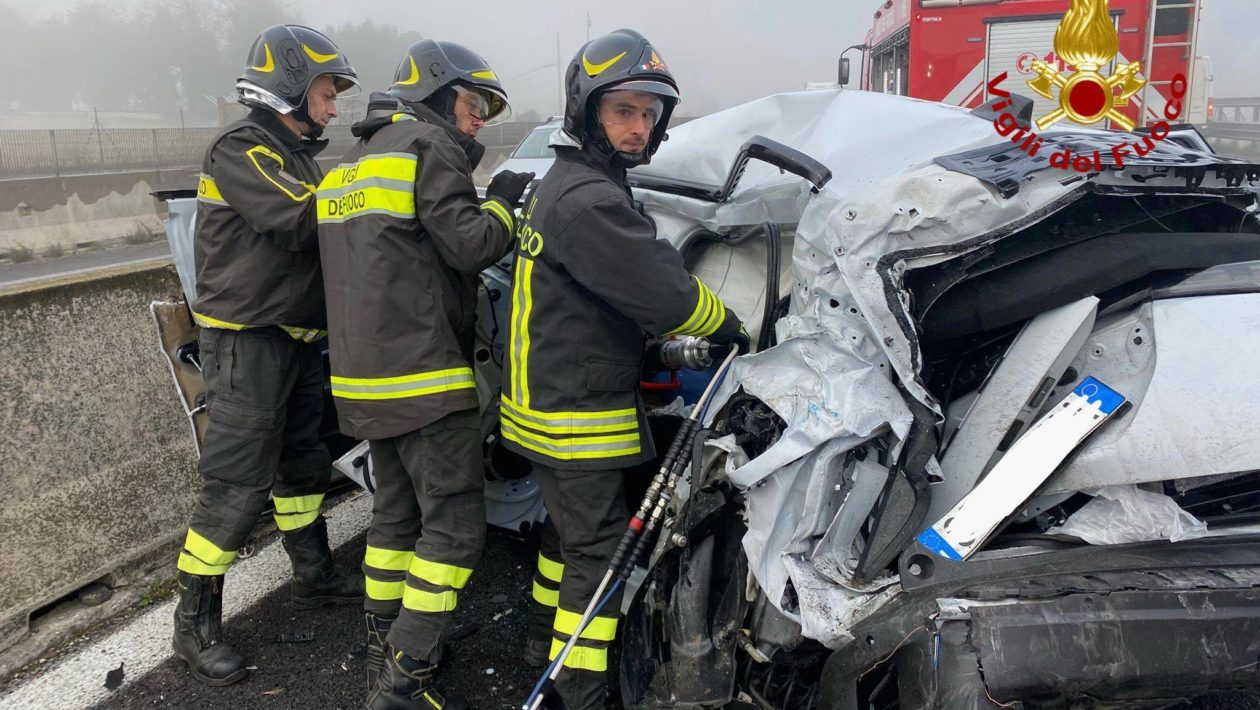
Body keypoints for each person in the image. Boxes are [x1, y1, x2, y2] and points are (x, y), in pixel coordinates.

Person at [502, 29, 747, 710]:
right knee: (597, 550)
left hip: (544, 405)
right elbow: (666, 295)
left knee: (564, 538)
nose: (639, 128)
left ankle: (540, 642)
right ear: (589, 112)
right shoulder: (590, 200)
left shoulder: (572, 182)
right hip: (574, 414)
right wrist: (731, 326)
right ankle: (579, 689)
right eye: (625, 111)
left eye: (649, 113)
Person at [315, 39, 534, 710]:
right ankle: (405, 678)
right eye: (474, 106)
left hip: (362, 382)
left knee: (395, 515)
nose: (478, 123)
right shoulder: (427, 148)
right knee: (455, 529)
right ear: (440, 96)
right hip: (425, 381)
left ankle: (390, 631)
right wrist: (500, 200)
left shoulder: (349, 165)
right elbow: (470, 246)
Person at [173, 24, 363, 687]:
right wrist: (378, 183)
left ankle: (313, 575)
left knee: (304, 468)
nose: (335, 107)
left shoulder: (296, 154)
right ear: (288, 84)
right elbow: (299, 218)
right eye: (326, 91)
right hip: (249, 342)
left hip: (296, 342)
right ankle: (192, 629)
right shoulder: (243, 149)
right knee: (235, 488)